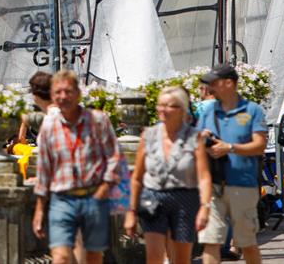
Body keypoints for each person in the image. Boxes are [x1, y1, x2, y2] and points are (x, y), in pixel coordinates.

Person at [32, 70, 121, 264]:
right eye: (58, 92)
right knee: (61, 257)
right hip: (61, 199)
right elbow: (44, 169)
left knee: (92, 258)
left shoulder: (97, 120)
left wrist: (105, 187)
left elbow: (114, 156)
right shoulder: (49, 126)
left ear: (78, 93)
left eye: (68, 91)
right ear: (52, 95)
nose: (63, 97)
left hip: (93, 197)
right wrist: (39, 210)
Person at [124, 87, 212, 264]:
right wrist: (131, 211)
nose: (163, 110)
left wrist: (205, 207)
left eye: (169, 106)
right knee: (154, 256)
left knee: (180, 258)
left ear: (182, 109)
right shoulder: (148, 136)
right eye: (160, 105)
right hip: (153, 198)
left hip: (184, 198)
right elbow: (136, 178)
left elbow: (203, 177)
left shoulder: (193, 138)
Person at [196, 64, 267, 264]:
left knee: (247, 244)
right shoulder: (208, 112)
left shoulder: (252, 110)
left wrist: (229, 147)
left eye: (214, 82)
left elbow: (260, 146)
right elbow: (196, 142)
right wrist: (202, 139)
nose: (209, 87)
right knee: (211, 242)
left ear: (229, 83)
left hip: (242, 186)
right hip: (214, 186)